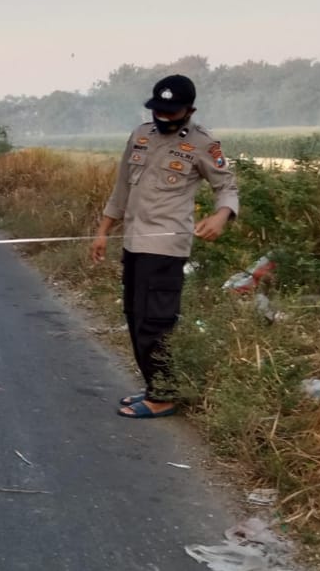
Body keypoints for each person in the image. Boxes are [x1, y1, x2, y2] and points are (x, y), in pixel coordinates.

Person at [89, 74, 238, 419]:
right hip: (134, 242)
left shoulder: (203, 144)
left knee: (155, 322)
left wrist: (221, 216)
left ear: (190, 111)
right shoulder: (140, 136)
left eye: (172, 113)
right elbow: (122, 188)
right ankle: (154, 385)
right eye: (159, 111)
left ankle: (164, 395)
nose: (164, 118)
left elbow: (226, 186)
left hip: (167, 247)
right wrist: (103, 230)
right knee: (134, 316)